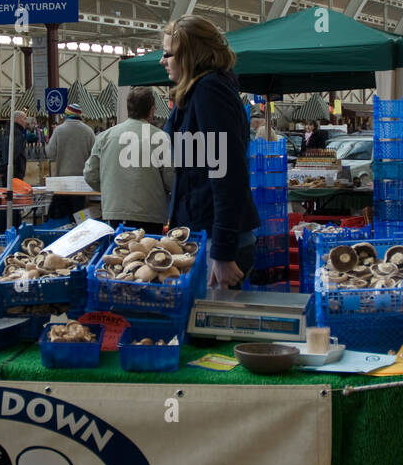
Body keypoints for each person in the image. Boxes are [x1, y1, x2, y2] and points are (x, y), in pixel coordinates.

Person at [162, 15, 260, 289]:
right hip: (205, 234)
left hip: (217, 241)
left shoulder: (210, 91)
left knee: (213, 326)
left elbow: (228, 174)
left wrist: (223, 252)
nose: (163, 61)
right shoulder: (200, 92)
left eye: (168, 54)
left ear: (190, 55)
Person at [84, 87, 173, 233]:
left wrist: (110, 189)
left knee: (118, 254)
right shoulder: (160, 138)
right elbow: (171, 179)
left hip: (114, 213)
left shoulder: (104, 137)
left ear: (128, 109)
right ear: (152, 110)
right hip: (150, 216)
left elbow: (90, 175)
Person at [46, 103, 96, 218]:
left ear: (66, 115)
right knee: (78, 216)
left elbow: (50, 154)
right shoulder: (88, 131)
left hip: (62, 182)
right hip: (82, 182)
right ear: (79, 115)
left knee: (62, 216)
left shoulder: (59, 130)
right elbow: (95, 155)